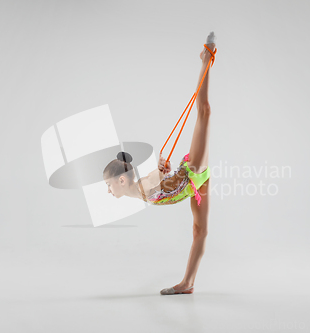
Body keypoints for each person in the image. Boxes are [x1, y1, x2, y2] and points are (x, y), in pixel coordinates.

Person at [103, 32, 216, 295]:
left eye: (108, 185)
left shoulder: (140, 186)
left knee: (204, 111)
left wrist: (159, 169)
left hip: (193, 174)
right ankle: (187, 284)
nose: (108, 190)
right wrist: (160, 170)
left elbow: (152, 180)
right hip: (195, 186)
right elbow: (154, 180)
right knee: (200, 231)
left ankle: (206, 57)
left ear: (121, 179)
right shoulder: (136, 189)